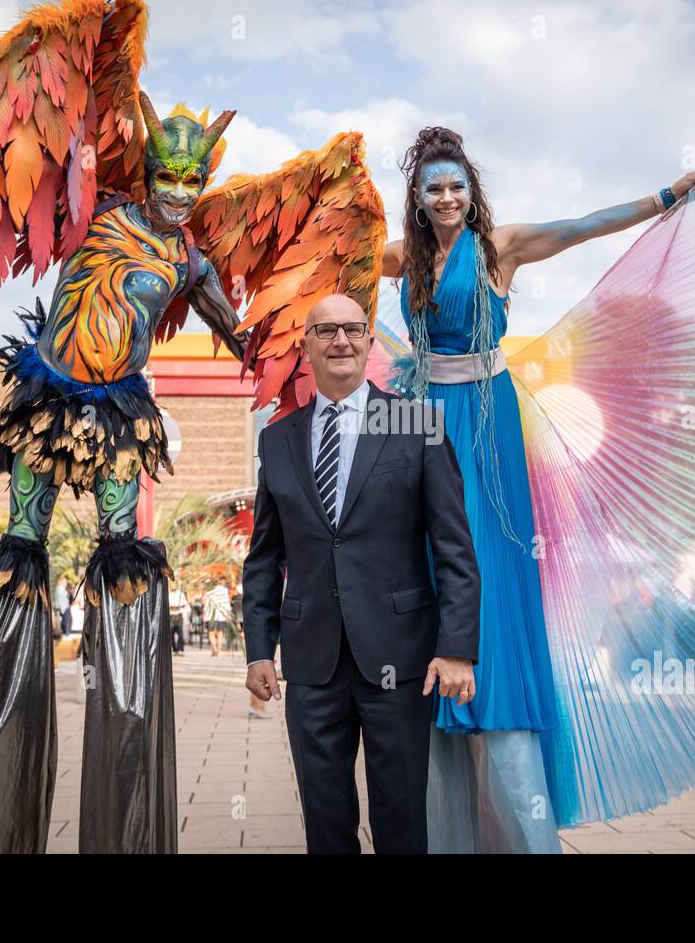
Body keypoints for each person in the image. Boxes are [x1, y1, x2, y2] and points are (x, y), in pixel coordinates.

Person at [380, 126, 695, 851]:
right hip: (420, 416)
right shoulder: (401, 258)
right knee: (425, 558)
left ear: (472, 192)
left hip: (488, 419)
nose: (445, 197)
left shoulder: (504, 246)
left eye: (456, 186)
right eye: (433, 187)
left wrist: (662, 197)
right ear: (417, 194)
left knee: (487, 557)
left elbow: (585, 227)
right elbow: (325, 269)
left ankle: (490, 679)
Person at [243, 293, 481, 854]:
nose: (340, 340)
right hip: (311, 665)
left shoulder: (417, 424)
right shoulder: (276, 440)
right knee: (325, 825)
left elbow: (453, 547)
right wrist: (259, 650)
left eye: (353, 329)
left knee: (401, 820)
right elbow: (263, 558)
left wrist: (458, 648)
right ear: (306, 346)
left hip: (400, 659)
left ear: (370, 341)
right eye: (326, 331)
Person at [203, 577, 231, 657]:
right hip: (220, 614)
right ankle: (218, 651)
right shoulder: (224, 590)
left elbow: (207, 603)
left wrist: (204, 613)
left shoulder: (209, 590)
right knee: (220, 633)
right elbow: (226, 602)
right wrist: (227, 614)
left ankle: (214, 648)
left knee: (211, 632)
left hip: (210, 614)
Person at [168, 580, 189, 655]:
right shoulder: (167, 593)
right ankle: (174, 649)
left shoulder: (180, 594)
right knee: (171, 634)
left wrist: (178, 608)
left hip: (178, 615)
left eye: (173, 584)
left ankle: (180, 649)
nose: (172, 585)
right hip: (170, 615)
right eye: (171, 584)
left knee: (180, 633)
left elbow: (184, 604)